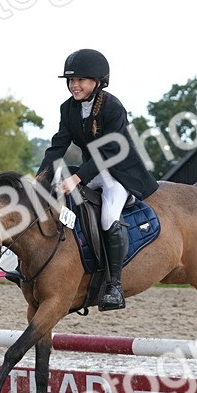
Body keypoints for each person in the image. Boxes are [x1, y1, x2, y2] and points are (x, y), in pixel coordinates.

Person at [37, 49, 159, 311]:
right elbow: (58, 146)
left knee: (107, 218)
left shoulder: (113, 107)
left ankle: (114, 285)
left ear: (98, 81)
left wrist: (77, 177)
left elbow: (110, 151)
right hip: (92, 171)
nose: (74, 85)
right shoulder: (68, 108)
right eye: (71, 80)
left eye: (80, 80)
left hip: (119, 172)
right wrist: (41, 178)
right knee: (55, 197)